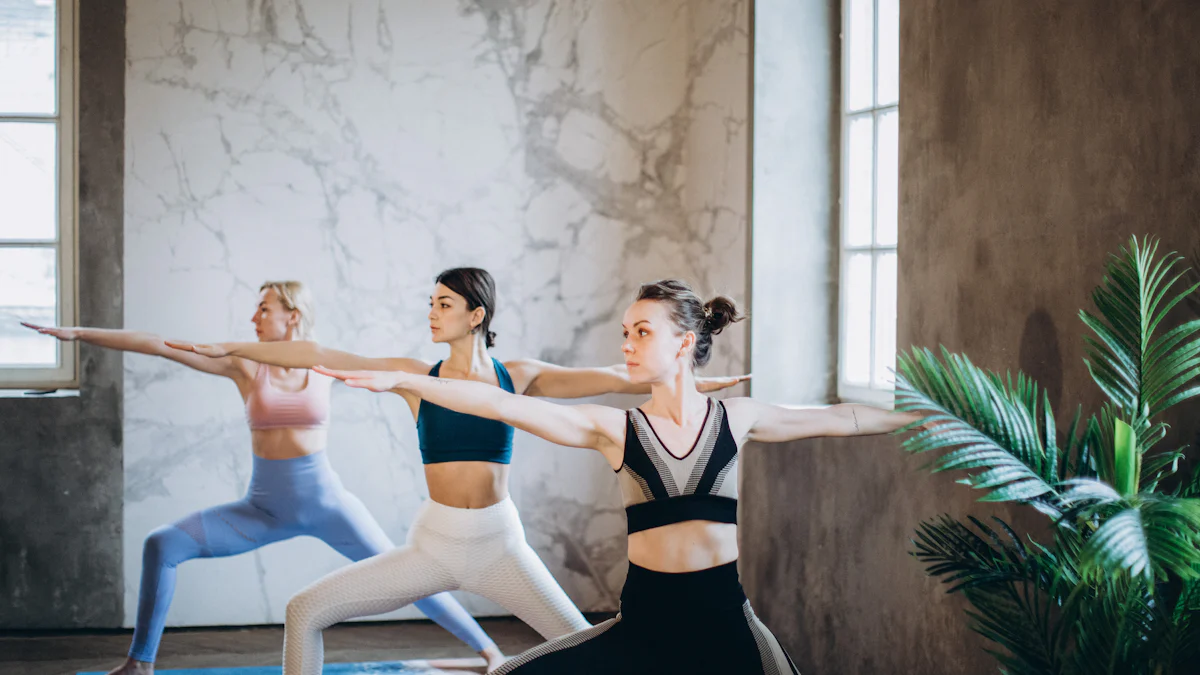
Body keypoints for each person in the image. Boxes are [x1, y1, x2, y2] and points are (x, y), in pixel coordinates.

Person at [316, 278, 925, 674]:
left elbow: (842, 417)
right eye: (625, 333)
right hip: (644, 632)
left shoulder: (739, 420)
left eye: (642, 332)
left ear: (684, 342)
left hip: (727, 629)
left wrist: (935, 416)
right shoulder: (616, 429)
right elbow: (502, 406)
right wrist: (404, 380)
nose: (628, 345)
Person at [170, 268, 748, 674]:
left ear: (477, 314)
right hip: (435, 542)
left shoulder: (514, 375)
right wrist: (232, 350)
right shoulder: (413, 375)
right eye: (430, 302)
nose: (431, 312)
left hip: (501, 545)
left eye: (443, 303)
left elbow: (610, 376)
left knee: (593, 651)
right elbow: (319, 354)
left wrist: (692, 382)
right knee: (303, 611)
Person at [21, 281, 498, 675]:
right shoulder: (245, 365)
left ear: (291, 316)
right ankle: (138, 666)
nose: (253, 318)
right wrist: (79, 333)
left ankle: (491, 655)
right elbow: (155, 344)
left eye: (262, 308)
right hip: (262, 510)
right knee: (161, 545)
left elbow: (405, 370)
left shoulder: (324, 364)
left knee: (410, 575)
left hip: (329, 507)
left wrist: (472, 380)